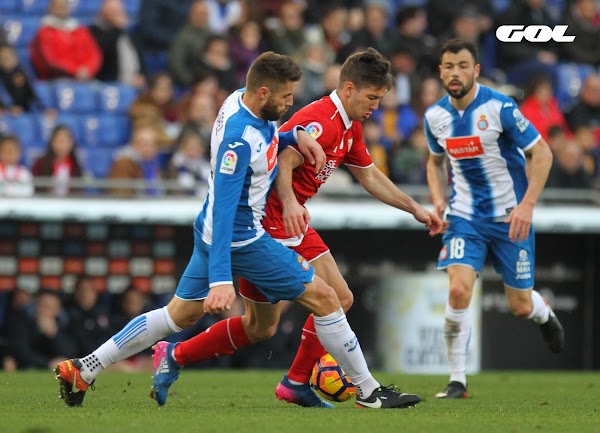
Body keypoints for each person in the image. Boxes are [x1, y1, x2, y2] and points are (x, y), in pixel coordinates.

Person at [54, 52, 415, 411]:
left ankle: (84, 368)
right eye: (286, 97)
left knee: (177, 315)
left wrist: (295, 136)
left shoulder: (242, 105)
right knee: (328, 299)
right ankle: (369, 392)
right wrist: (220, 279)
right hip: (243, 237)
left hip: (209, 229)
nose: (291, 104)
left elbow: (272, 138)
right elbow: (227, 209)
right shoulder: (238, 142)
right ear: (263, 93)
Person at [151, 48, 442, 409]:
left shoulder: (350, 125)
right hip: (271, 223)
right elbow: (284, 158)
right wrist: (289, 202)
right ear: (349, 89)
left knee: (268, 325)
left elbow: (367, 174)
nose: (375, 107)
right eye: (371, 98)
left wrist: (414, 208)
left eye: (380, 100)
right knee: (313, 307)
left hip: (294, 221)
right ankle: (322, 383)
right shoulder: (322, 118)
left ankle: (287, 379)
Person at [424, 38, 565, 400]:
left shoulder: (500, 107)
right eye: (449, 66)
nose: (455, 73)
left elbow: (542, 153)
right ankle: (458, 380)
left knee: (519, 305)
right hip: (464, 217)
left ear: (476, 70)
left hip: (510, 218)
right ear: (441, 71)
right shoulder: (435, 117)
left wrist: (528, 204)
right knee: (458, 290)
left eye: (463, 66)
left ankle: (542, 313)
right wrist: (438, 198)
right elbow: (435, 161)